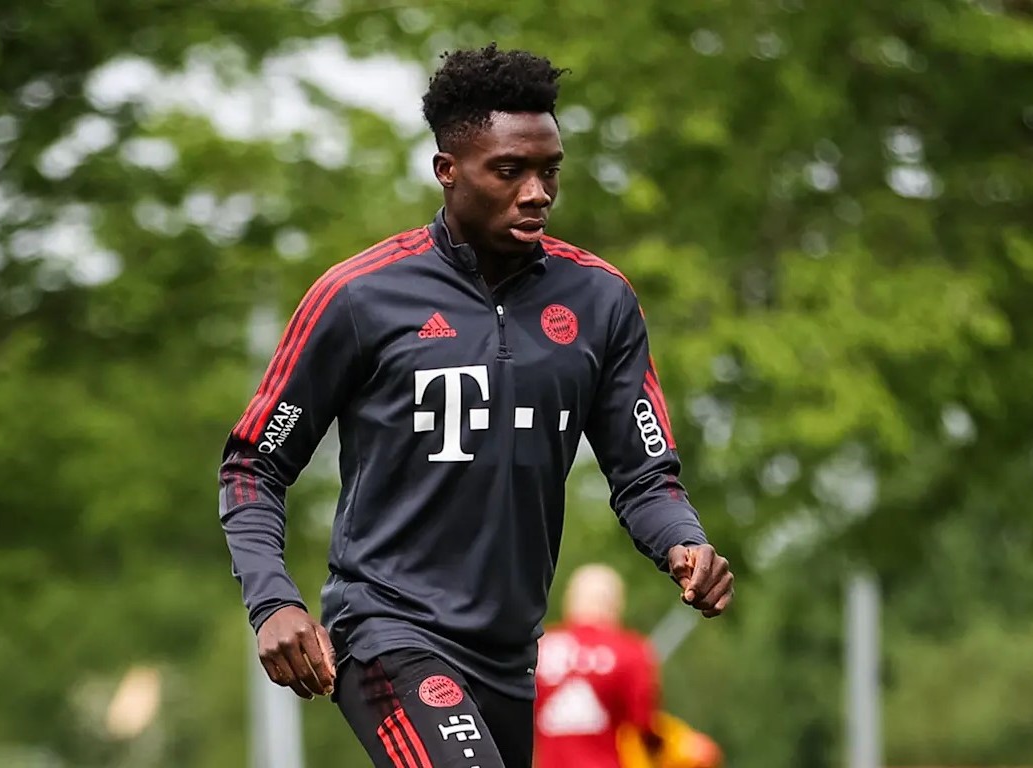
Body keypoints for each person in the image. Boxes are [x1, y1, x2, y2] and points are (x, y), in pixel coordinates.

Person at [216, 42, 734, 768]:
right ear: (447, 170)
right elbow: (253, 466)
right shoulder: (360, 296)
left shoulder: (602, 301)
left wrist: (684, 542)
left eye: (550, 170)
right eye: (510, 171)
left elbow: (645, 475)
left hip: (512, 658)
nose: (538, 193)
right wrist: (273, 601)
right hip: (388, 631)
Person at [534, 564, 723, 768]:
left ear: (569, 600)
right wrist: (679, 748)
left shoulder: (538, 650)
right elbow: (644, 725)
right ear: (616, 605)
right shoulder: (630, 651)